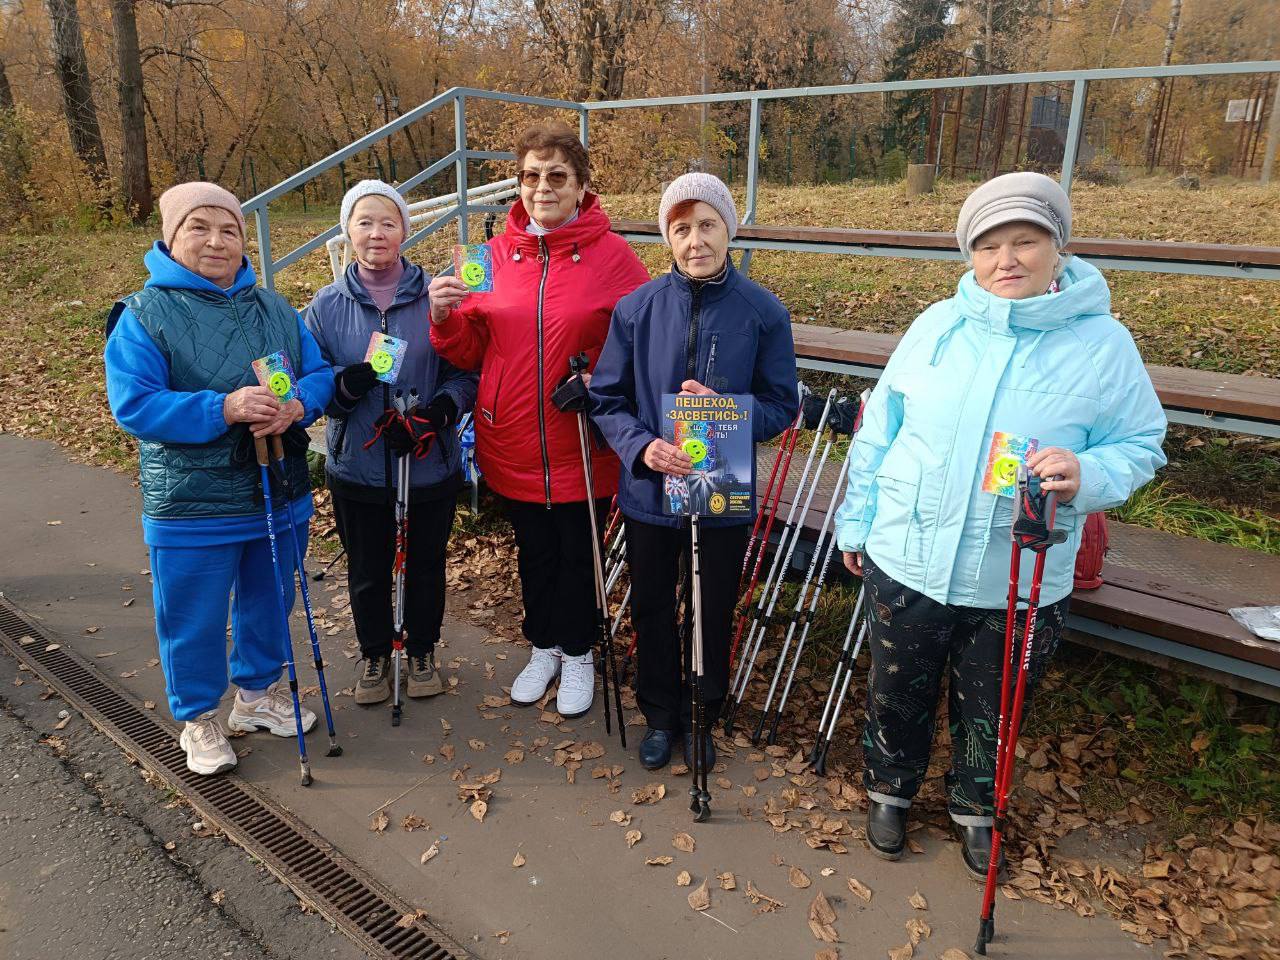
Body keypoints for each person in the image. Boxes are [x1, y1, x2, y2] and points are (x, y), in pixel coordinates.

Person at [833, 172, 1167, 878]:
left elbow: (1141, 443)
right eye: (988, 245)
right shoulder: (936, 328)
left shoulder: (1103, 345)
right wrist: (857, 524)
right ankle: (890, 789)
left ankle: (975, 807)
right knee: (898, 688)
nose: (1006, 259)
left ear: (1058, 246)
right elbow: (877, 433)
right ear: (969, 254)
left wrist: (1087, 473)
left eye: (1026, 241)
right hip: (909, 553)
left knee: (993, 706)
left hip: (1017, 574)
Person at [104, 182, 335, 776]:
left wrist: (298, 405)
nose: (215, 241)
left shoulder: (275, 308)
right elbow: (134, 404)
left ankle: (257, 698)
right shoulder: (143, 314)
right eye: (198, 228)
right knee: (193, 615)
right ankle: (198, 716)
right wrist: (223, 409)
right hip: (192, 501)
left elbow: (318, 374)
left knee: (269, 600)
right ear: (171, 238)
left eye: (228, 229)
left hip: (275, 487)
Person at [428, 120, 650, 720]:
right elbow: (472, 350)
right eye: (530, 176)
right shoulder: (489, 255)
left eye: (557, 176)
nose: (542, 187)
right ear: (517, 185)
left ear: (581, 186)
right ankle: (544, 645)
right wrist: (445, 319)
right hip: (514, 434)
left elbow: (641, 342)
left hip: (582, 439)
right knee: (533, 550)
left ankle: (579, 652)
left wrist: (598, 381)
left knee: (579, 551)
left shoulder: (614, 256)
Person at [590, 172, 798, 770]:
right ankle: (660, 713)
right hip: (651, 489)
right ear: (668, 239)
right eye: (681, 229)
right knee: (653, 603)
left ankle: (704, 709)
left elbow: (783, 404)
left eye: (706, 225)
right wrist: (641, 447)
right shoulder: (636, 309)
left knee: (711, 604)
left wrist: (732, 411)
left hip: (721, 490)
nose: (694, 241)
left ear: (727, 230)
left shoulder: (763, 312)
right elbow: (607, 398)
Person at [304, 181, 477, 706]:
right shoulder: (325, 306)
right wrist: (340, 386)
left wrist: (441, 412)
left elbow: (466, 370)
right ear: (346, 231)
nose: (376, 233)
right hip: (358, 464)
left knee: (425, 563)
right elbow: (306, 380)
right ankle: (376, 653)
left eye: (387, 222)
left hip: (426, 461)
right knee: (367, 567)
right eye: (364, 223)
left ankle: (421, 650)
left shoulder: (438, 295)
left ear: (404, 229)